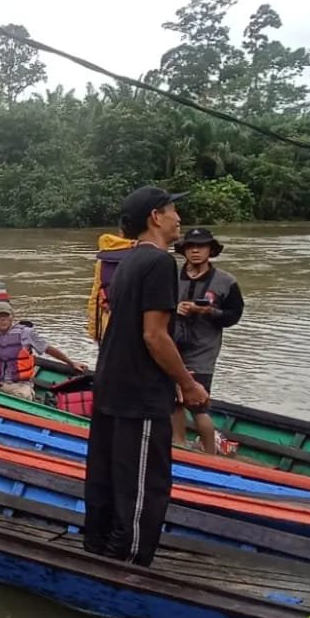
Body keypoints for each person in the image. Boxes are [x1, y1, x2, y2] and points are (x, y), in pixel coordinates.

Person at [85, 187, 209, 567]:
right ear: (156, 217)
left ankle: (99, 551)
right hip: (138, 394)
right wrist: (187, 383)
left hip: (112, 384)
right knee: (143, 488)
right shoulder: (157, 264)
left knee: (108, 479)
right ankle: (127, 566)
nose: (179, 220)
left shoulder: (126, 261)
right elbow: (154, 335)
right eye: (173, 212)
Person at [169, 228, 245, 454]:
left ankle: (210, 454)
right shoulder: (170, 276)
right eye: (190, 246)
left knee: (198, 404)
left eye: (201, 246)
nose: (195, 251)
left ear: (211, 250)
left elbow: (234, 316)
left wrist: (209, 312)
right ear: (183, 251)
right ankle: (178, 445)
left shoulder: (226, 282)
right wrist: (176, 309)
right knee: (173, 401)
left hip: (203, 352)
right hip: (170, 348)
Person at [0, 301, 84, 401]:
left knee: (23, 396)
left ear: (12, 317)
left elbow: (48, 349)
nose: (3, 319)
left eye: (6, 316)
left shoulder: (27, 333)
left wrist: (71, 363)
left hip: (18, 385)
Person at [86, 232, 137, 343]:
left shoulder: (103, 260)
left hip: (107, 327)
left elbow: (95, 297)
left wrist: (94, 332)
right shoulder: (145, 256)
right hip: (135, 331)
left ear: (121, 233)